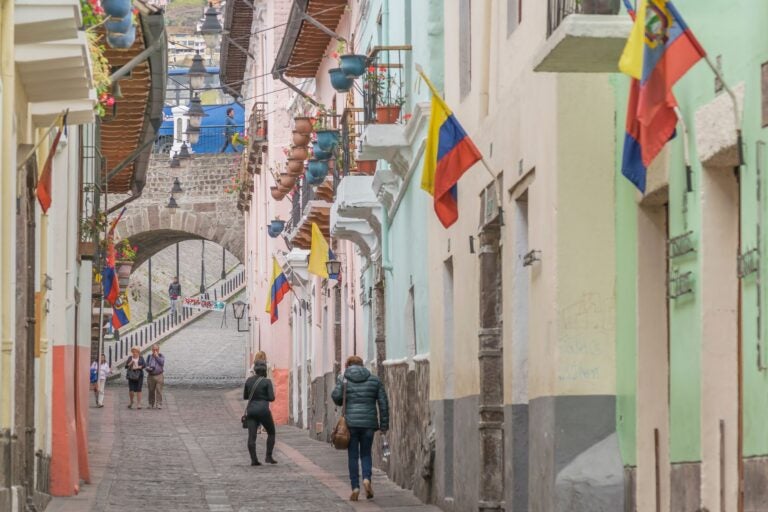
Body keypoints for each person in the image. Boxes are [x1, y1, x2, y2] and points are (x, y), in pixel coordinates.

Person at [332, 355, 389, 502]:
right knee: (366, 454)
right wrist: (384, 425)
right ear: (362, 365)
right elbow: (383, 403)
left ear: (348, 365)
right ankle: (366, 479)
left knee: (353, 456)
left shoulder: (344, 378)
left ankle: (355, 487)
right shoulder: (374, 380)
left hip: (350, 424)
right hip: (369, 424)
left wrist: (339, 383)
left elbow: (337, 398)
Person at [243, 360, 276, 466]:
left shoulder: (248, 381)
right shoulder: (267, 382)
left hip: (251, 410)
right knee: (271, 432)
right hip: (263, 411)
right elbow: (271, 398)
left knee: (251, 436)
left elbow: (245, 396)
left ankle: (254, 460)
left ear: (255, 370)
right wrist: (263, 397)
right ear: (265, 370)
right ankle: (268, 456)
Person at [145, 344, 165, 409]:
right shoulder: (149, 356)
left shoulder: (161, 356)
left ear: (159, 350)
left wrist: (156, 357)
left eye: (156, 349)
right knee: (151, 390)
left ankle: (159, 403)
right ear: (152, 350)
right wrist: (148, 368)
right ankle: (151, 403)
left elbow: (162, 363)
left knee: (159, 390)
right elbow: (146, 365)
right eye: (154, 349)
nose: (155, 351)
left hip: (159, 375)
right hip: (151, 375)